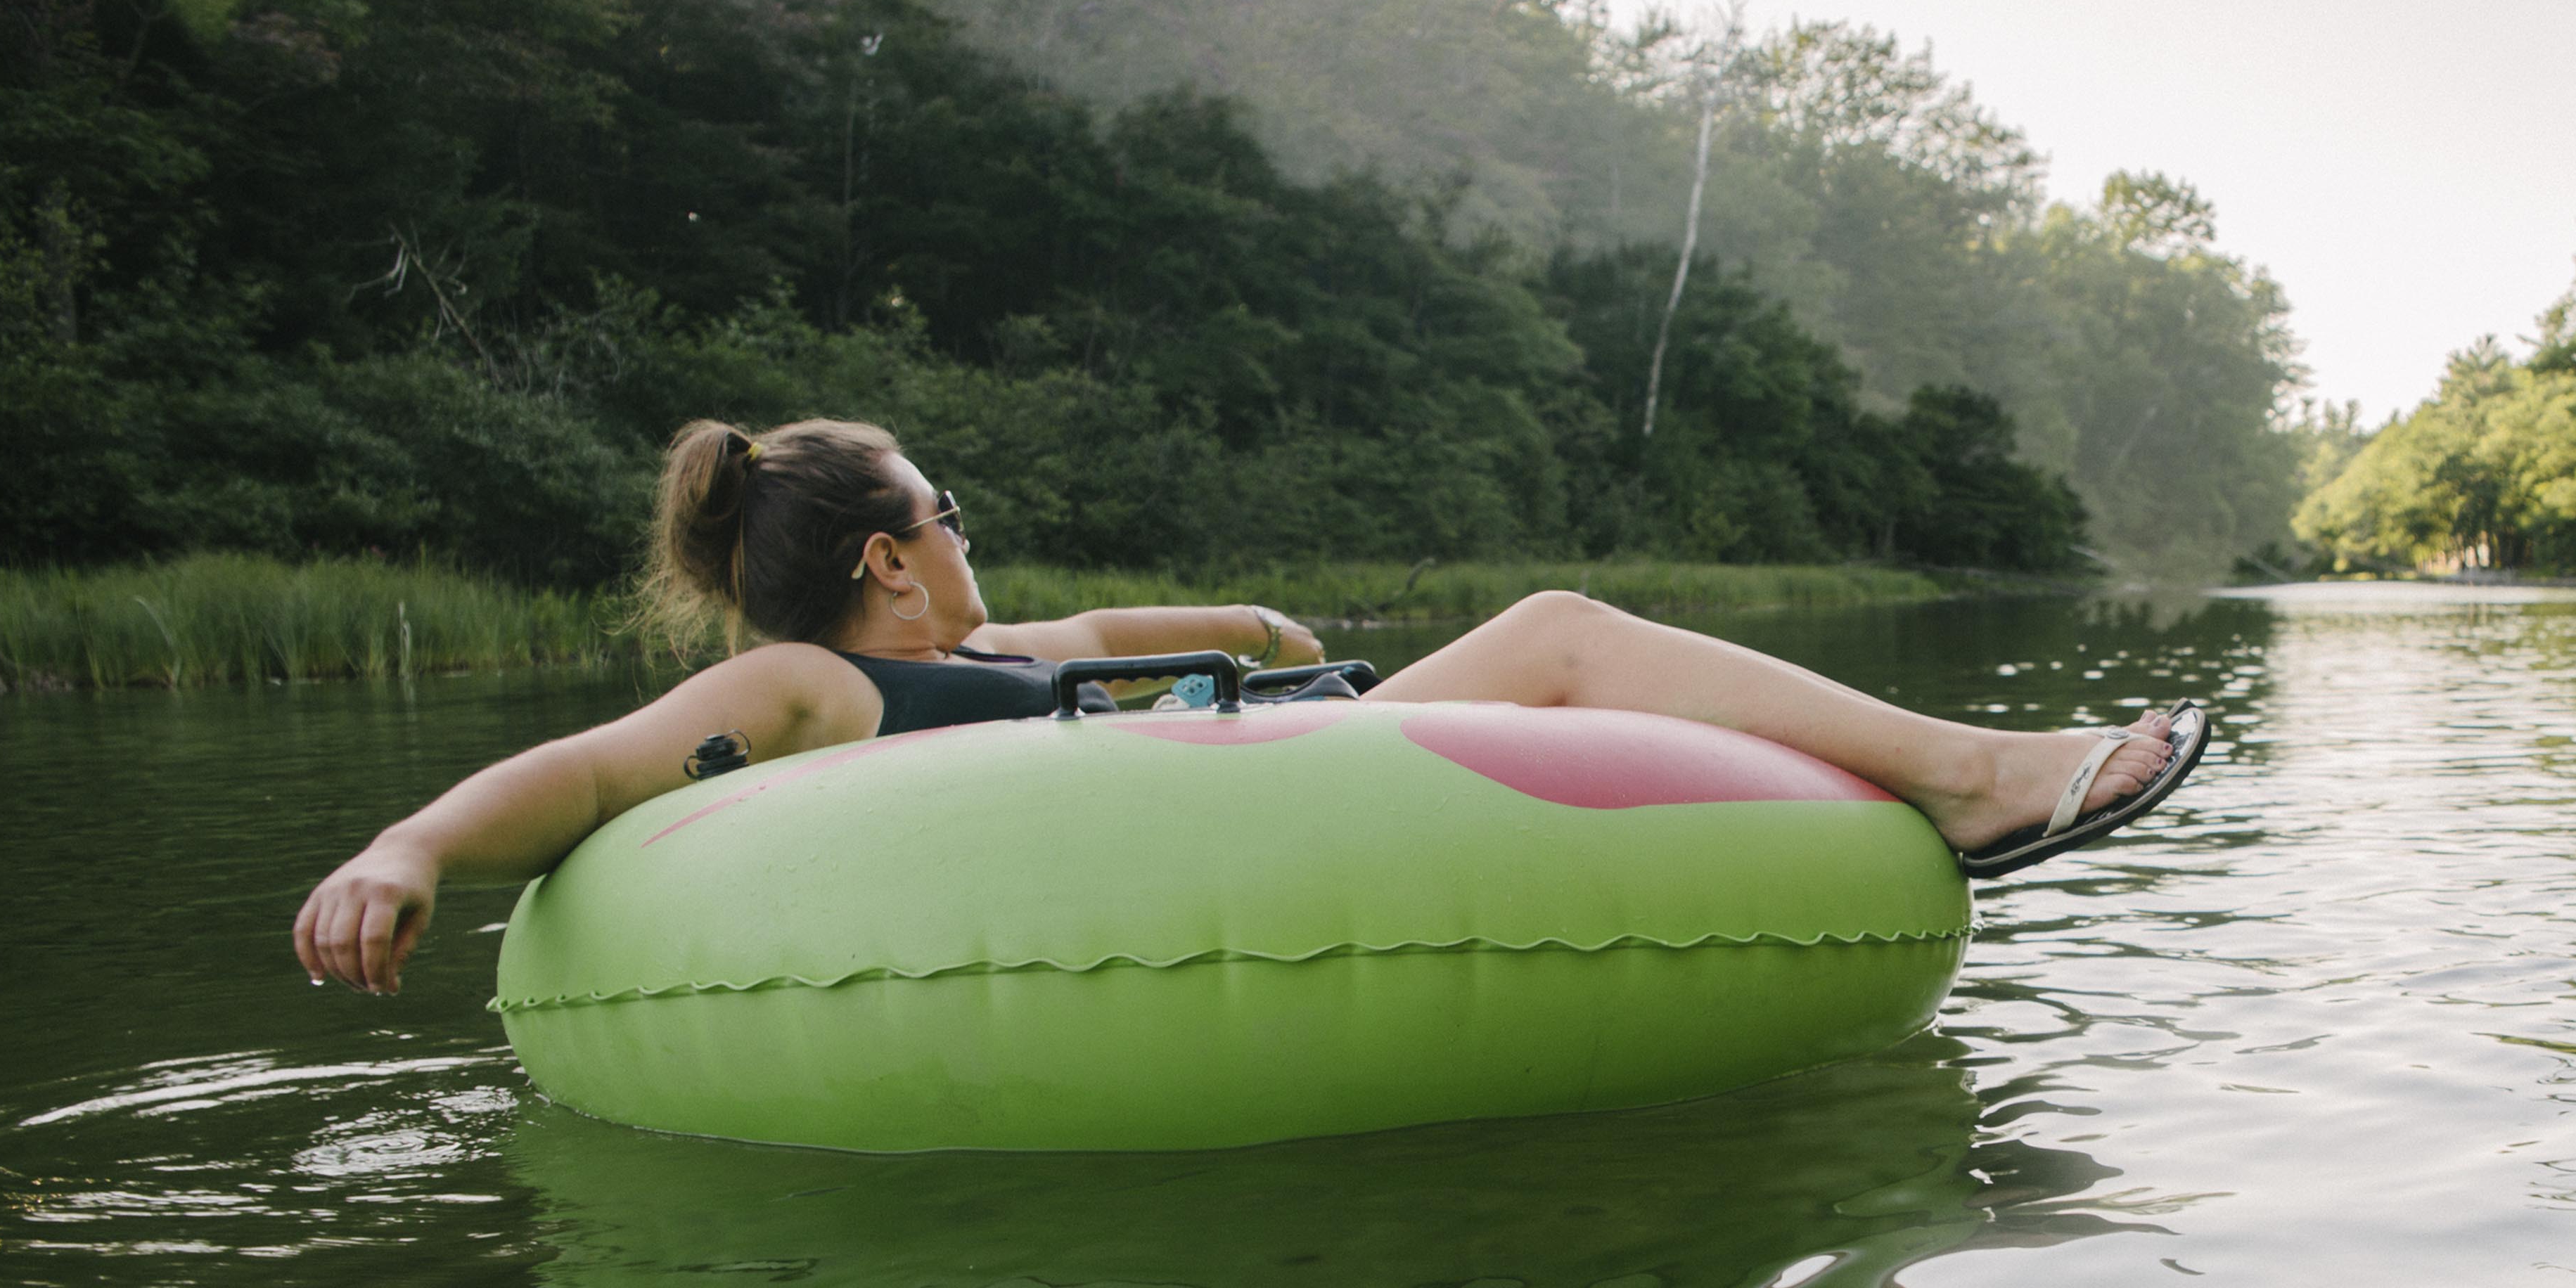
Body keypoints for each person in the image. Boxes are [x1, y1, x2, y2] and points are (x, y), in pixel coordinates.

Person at [293, 417, 2207, 995]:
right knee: (1550, 623)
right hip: (1206, 829)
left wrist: (1271, 625)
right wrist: (411, 843)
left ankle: (1948, 783)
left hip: (1269, 756)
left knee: (1554, 644)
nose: (972, 535)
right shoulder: (803, 686)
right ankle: (1980, 778)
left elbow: (1143, 618)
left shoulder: (1001, 656)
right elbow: (600, 764)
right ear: (885, 559)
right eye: (947, 513)